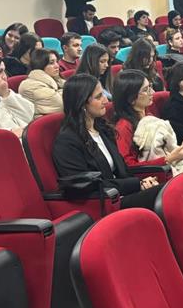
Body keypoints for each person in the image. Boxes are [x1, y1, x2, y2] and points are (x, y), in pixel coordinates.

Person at [53, 74, 160, 210]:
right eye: (98, 97)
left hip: (123, 194)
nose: (106, 100)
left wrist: (143, 182)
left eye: (103, 94)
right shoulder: (67, 142)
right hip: (105, 203)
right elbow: (86, 185)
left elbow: (123, 169)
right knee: (166, 194)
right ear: (82, 103)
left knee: (171, 189)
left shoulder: (103, 129)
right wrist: (136, 184)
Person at [112, 70, 183, 174]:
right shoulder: (124, 126)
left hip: (170, 165)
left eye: (150, 86)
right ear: (131, 98)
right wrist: (169, 158)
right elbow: (129, 166)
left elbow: (162, 149)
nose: (152, 92)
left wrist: (182, 146)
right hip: (156, 174)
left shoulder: (148, 115)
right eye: (145, 90)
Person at [19, 48, 65, 116]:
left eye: (57, 62)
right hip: (45, 121)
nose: (57, 66)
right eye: (51, 63)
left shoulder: (56, 79)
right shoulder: (31, 85)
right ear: (40, 64)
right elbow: (61, 104)